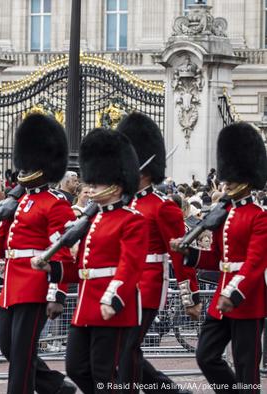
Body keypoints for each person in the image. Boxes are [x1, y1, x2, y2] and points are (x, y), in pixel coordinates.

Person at [0, 114, 76, 394]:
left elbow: (61, 252)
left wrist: (57, 294)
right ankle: (54, 387)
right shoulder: (19, 202)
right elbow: (2, 244)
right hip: (11, 285)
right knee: (8, 347)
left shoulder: (55, 204)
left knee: (21, 355)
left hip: (35, 285)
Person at [36, 128, 147, 394]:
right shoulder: (93, 220)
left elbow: (130, 265)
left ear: (116, 185)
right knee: (76, 368)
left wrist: (113, 298)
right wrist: (53, 267)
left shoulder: (133, 220)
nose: (90, 187)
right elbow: (84, 267)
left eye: (96, 183)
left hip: (111, 306)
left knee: (103, 372)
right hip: (86, 305)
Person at [171, 122, 267, 394]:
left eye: (231, 180)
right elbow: (215, 258)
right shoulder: (225, 214)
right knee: (206, 355)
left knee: (247, 366)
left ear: (246, 179)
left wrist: (233, 293)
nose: (226, 185)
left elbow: (255, 263)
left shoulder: (259, 216)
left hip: (246, 299)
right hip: (222, 297)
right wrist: (188, 253)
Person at [116, 113, 199, 394]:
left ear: (146, 170)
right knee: (121, 349)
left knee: (127, 347)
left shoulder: (161, 206)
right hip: (120, 285)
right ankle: (168, 391)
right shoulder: (121, 204)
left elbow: (180, 254)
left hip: (148, 285)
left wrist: (190, 297)